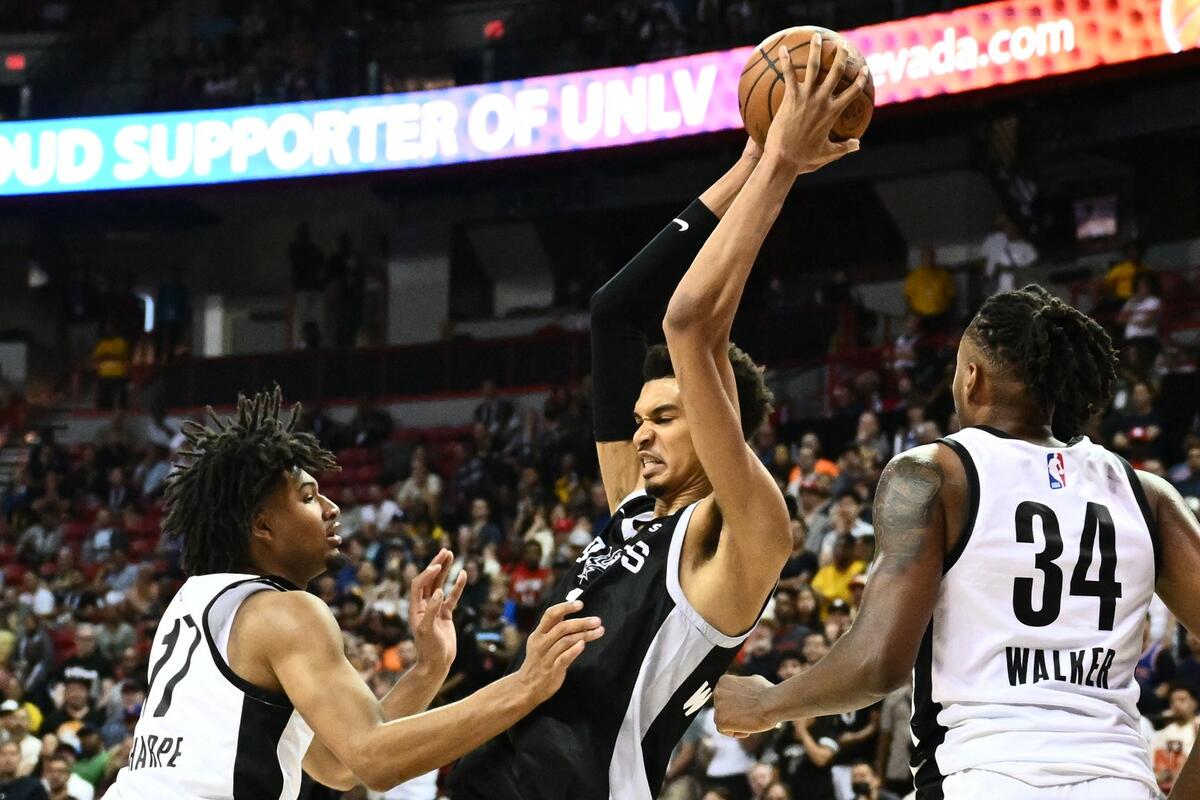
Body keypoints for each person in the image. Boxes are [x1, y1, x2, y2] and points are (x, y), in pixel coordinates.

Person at [451, 34, 866, 800]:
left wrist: (780, 165)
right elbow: (613, 313)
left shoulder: (738, 538)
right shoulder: (635, 509)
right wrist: (748, 160)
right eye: (641, 417)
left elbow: (690, 325)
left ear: (717, 419)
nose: (639, 431)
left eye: (667, 416)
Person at [716, 284, 1200, 798]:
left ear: (971, 377)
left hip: (984, 775)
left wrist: (766, 704)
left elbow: (878, 664)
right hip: (1120, 782)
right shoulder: (1147, 495)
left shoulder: (934, 474)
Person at [103, 389, 602, 799]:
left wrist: (429, 668)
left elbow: (337, 766)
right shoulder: (284, 611)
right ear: (263, 526)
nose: (331, 507)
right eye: (307, 497)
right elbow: (374, 759)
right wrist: (525, 685)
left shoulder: (195, 601)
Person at [1151, 683, 1200, 795]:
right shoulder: (1162, 734)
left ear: (1194, 703)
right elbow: (1152, 766)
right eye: (1173, 701)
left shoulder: (1197, 726)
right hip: (1164, 790)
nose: (1177, 704)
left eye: (1182, 700)